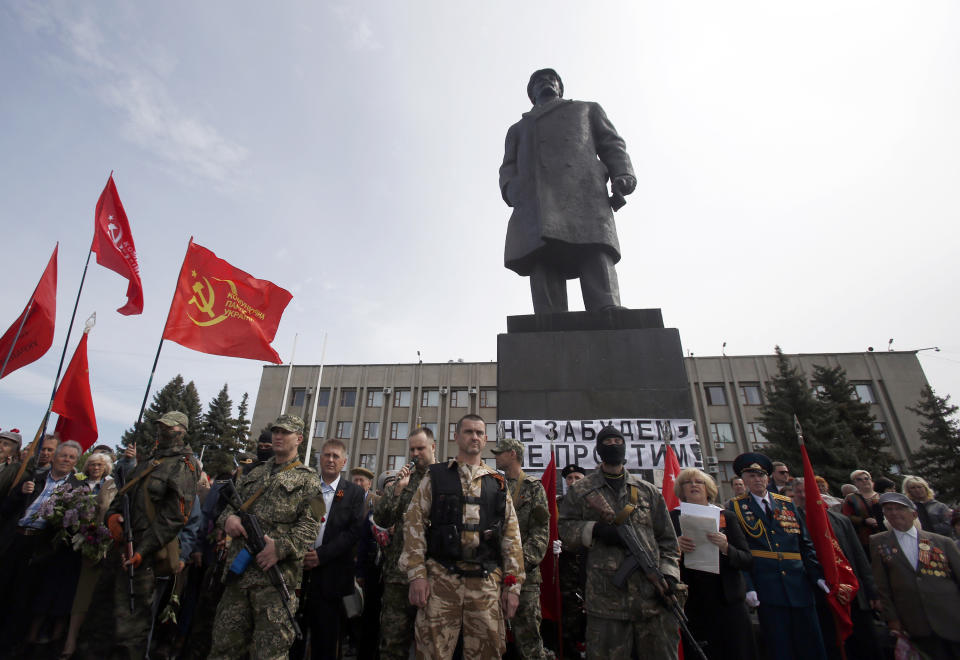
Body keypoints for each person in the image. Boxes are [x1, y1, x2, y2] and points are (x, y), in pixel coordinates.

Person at [499, 68, 636, 313]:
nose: (547, 83)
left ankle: (606, 305)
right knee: (543, 254)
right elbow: (507, 166)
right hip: (535, 198)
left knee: (594, 247)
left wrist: (623, 174)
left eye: (552, 79)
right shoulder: (518, 128)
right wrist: (511, 189)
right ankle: (549, 315)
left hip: (583, 188)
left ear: (560, 87)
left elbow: (612, 144)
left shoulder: (586, 109)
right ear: (531, 93)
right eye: (539, 81)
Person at [399, 414, 525, 659]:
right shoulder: (435, 476)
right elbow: (413, 524)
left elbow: (512, 536)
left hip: (486, 583)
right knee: (432, 652)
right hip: (441, 581)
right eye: (468, 432)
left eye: (479, 432)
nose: (474, 437)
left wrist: (513, 586)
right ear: (456, 437)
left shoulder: (497, 482)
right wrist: (416, 575)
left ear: (486, 439)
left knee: (488, 652)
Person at [76, 411, 199, 659]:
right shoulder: (149, 462)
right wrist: (113, 517)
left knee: (129, 627)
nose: (162, 433)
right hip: (119, 547)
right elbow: (123, 495)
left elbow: (175, 516)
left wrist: (143, 550)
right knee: (100, 617)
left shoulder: (184, 466)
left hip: (145, 557)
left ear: (181, 432)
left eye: (169, 429)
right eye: (160, 427)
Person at [558, 425, 681, 659]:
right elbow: (564, 529)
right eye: (607, 442)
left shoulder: (647, 491)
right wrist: (595, 530)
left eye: (617, 441)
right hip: (606, 602)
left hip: (651, 598)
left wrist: (669, 575)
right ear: (598, 450)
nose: (613, 445)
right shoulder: (582, 490)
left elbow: (667, 540)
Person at [207, 414, 320, 660]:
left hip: (274, 584)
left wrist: (280, 548)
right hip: (238, 578)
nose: (278, 436)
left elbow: (311, 526)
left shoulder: (310, 480)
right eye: (276, 431)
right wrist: (229, 520)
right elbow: (227, 508)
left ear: (299, 439)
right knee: (223, 649)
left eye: (285, 432)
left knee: (269, 654)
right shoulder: (253, 473)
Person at [727, 452, 828, 660]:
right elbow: (739, 549)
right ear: (743, 480)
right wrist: (749, 586)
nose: (757, 479)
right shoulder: (736, 508)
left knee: (810, 641)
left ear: (768, 478)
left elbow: (804, 544)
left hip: (798, 583)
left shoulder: (787, 504)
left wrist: (817, 575)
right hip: (766, 585)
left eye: (761, 475)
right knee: (779, 644)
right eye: (751, 476)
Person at [0, 439, 84, 657]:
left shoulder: (76, 488)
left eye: (72, 458)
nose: (66, 460)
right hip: (14, 540)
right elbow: (6, 509)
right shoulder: (33, 479)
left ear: (76, 462)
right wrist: (19, 493)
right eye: (63, 455)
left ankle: (9, 644)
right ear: (54, 457)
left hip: (40, 547)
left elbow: (74, 527)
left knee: (22, 598)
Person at [792, 477, 883, 660]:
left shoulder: (841, 520)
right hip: (822, 596)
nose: (804, 496)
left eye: (807, 491)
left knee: (866, 644)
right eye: (799, 492)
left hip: (852, 593)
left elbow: (858, 556)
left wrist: (872, 591)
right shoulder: (793, 523)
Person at [671, 467, 755, 660]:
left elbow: (747, 560)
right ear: (681, 490)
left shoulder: (726, 516)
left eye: (698, 482)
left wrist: (726, 548)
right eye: (687, 482)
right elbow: (659, 557)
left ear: (708, 488)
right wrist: (676, 549)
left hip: (728, 601)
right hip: (694, 603)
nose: (693, 485)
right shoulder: (672, 518)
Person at [296, 439, 365, 660]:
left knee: (325, 641)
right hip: (299, 574)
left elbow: (354, 532)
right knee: (294, 637)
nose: (331, 460)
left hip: (332, 577)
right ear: (320, 458)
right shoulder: (307, 487)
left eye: (336, 456)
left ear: (344, 462)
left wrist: (321, 556)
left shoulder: (353, 493)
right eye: (327, 455)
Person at [870, 492, 960, 660]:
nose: (894, 513)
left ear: (914, 514)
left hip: (951, 615)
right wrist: (892, 618)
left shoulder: (940, 542)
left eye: (899, 509)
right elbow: (882, 584)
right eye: (889, 509)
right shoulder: (879, 542)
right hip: (915, 620)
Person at [374, 427, 436, 660]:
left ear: (433, 447)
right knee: (392, 643)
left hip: (433, 575)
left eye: (420, 448)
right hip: (398, 576)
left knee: (430, 645)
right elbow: (382, 519)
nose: (415, 453)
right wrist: (398, 489)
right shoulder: (404, 480)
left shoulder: (443, 477)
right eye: (412, 449)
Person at [492, 437, 550, 659]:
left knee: (529, 641)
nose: (496, 455)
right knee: (492, 639)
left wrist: (516, 567)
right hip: (494, 574)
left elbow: (540, 534)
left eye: (500, 452)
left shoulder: (533, 488)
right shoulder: (494, 485)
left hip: (524, 578)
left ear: (512, 454)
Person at [63, 451, 118, 658]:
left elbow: (109, 510)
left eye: (99, 465)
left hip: (94, 543)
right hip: (68, 542)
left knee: (83, 593)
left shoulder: (111, 485)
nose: (95, 468)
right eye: (92, 464)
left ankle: (73, 639)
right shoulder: (77, 482)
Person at [558, 463, 588, 658]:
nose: (573, 481)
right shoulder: (558, 503)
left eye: (577, 478)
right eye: (569, 478)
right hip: (567, 566)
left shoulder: (594, 503)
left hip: (591, 564)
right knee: (569, 614)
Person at [842, 469, 884, 553]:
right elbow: (846, 516)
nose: (864, 481)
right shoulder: (851, 498)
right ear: (855, 483)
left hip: (885, 534)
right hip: (865, 538)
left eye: (866, 478)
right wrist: (864, 521)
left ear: (871, 480)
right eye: (859, 480)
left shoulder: (882, 496)